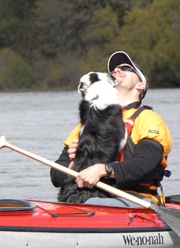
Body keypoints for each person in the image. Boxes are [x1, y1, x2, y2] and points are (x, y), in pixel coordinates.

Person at [50, 51, 172, 206]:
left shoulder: (149, 119)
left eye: (126, 68)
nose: (116, 70)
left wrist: (104, 169)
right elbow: (55, 176)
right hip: (91, 198)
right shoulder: (86, 125)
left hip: (134, 199)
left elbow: (144, 164)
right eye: (113, 71)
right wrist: (75, 162)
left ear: (141, 85)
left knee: (92, 203)